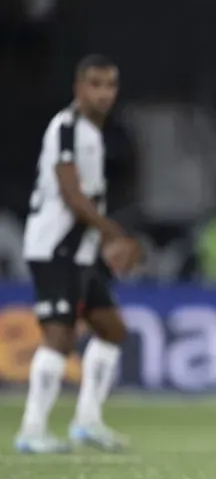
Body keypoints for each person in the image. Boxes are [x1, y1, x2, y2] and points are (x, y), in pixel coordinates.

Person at [17, 54, 143, 453]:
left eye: (110, 85)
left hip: (82, 249)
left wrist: (102, 239)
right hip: (55, 246)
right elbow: (71, 194)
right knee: (59, 335)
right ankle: (31, 430)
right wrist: (113, 234)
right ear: (78, 88)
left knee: (111, 329)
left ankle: (87, 422)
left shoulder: (93, 132)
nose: (104, 93)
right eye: (95, 84)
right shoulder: (67, 128)